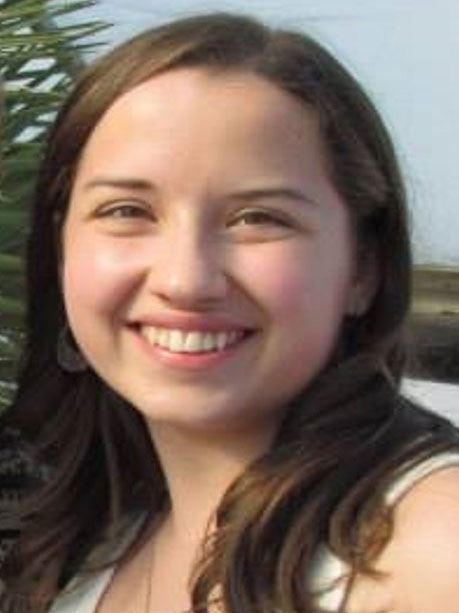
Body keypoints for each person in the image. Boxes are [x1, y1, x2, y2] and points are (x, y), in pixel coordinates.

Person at [0, 11, 458, 613]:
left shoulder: (427, 549)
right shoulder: (83, 544)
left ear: (363, 269)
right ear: (62, 249)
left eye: (259, 219)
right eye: (127, 210)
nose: (185, 279)